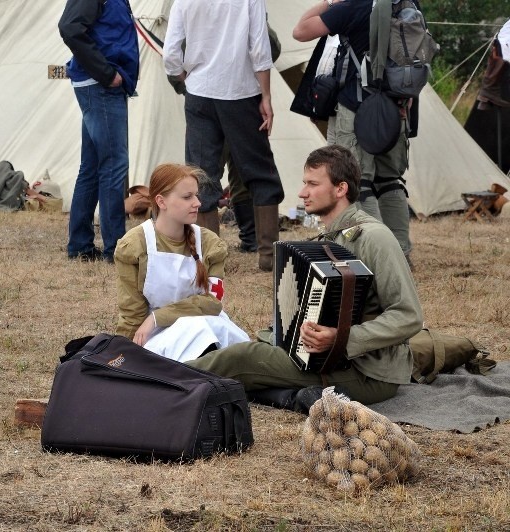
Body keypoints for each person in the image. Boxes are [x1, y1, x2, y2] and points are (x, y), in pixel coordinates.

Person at [187, 145, 423, 411]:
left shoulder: (374, 238)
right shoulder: (328, 239)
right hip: (328, 360)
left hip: (369, 372)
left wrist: (342, 338)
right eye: (304, 183)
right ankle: (289, 395)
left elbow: (408, 315)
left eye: (312, 184)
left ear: (341, 189)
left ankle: (159, 378)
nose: (302, 193)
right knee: (246, 363)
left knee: (243, 358)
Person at [163, 0, 284, 271]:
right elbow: (260, 49)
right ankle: (269, 257)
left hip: (199, 93)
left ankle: (209, 258)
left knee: (201, 176)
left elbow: (170, 53)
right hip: (240, 93)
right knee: (260, 171)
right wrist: (266, 95)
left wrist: (184, 76)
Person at [293, 0, 414, 264]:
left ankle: (378, 256)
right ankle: (401, 252)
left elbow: (301, 30)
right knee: (391, 182)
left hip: (357, 108)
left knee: (359, 185)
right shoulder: (405, 3)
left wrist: (328, 3)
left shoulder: (354, 5)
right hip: (396, 108)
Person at [114, 163, 249, 362]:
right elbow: (131, 312)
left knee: (236, 351)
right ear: (161, 201)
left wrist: (157, 317)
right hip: (159, 337)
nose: (197, 203)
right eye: (187, 197)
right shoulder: (134, 245)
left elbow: (212, 303)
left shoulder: (210, 243)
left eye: (196, 195)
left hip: (207, 326)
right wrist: (124, 354)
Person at [58, 0, 139, 263]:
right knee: (114, 165)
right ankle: (117, 249)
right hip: (100, 86)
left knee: (92, 167)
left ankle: (80, 245)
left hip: (101, 85)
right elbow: (69, 27)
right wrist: (106, 73)